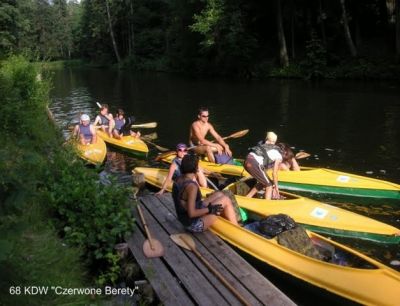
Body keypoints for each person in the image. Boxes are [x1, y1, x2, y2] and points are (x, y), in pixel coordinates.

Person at [172, 154, 238, 232]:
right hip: (193, 224)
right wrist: (209, 209)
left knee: (220, 194)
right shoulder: (192, 187)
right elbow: (191, 213)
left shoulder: (178, 179)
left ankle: (228, 219)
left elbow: (183, 203)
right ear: (196, 169)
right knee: (226, 199)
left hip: (184, 218)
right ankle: (236, 228)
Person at [244, 131, 282, 200]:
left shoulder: (262, 146)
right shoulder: (278, 155)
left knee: (265, 182)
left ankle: (247, 198)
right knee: (269, 185)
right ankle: (267, 205)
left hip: (247, 161)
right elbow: (274, 173)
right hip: (254, 163)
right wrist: (276, 187)